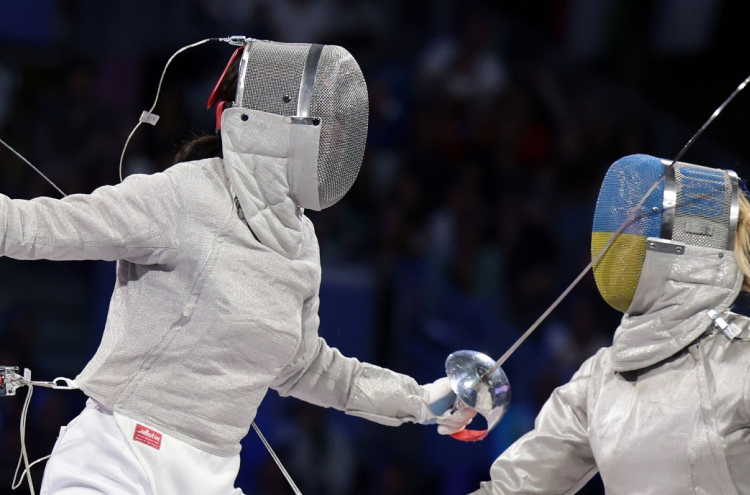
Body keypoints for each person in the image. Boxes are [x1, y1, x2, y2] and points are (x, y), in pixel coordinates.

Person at [0, 40, 474, 495]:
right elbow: (37, 226)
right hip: (118, 459)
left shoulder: (300, 243)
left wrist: (422, 401)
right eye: (327, 130)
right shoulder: (185, 195)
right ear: (282, 124)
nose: (336, 145)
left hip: (211, 476)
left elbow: (306, 367)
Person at [470, 154, 750, 494]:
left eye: (637, 225)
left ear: (692, 249)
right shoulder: (602, 377)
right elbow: (511, 489)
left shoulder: (740, 361)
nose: (616, 239)